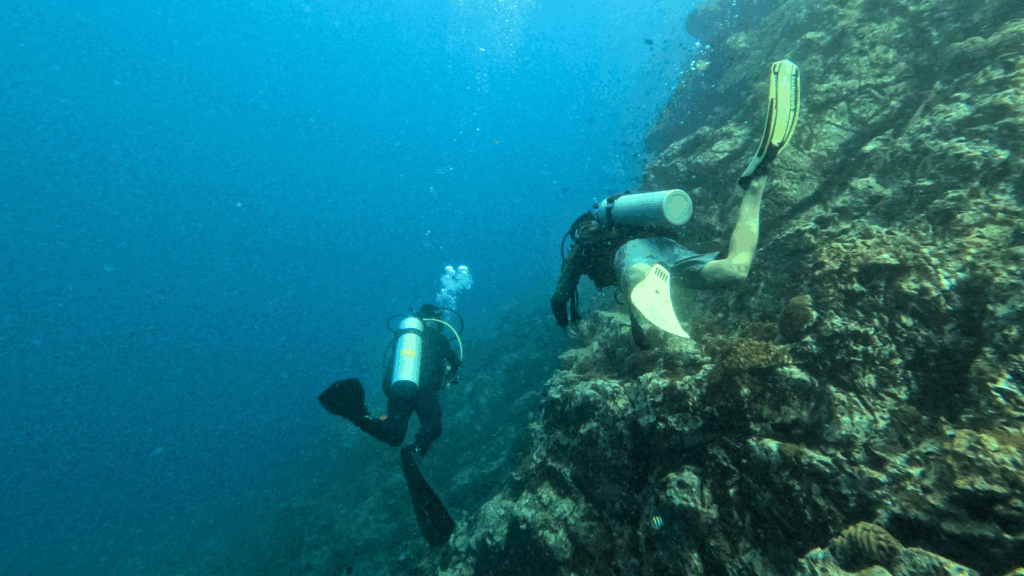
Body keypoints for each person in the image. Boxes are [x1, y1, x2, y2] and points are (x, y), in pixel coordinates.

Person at [551, 60, 800, 348]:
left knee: (634, 271)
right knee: (735, 269)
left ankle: (644, 287)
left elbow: (559, 297)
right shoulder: (626, 225)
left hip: (635, 254)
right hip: (667, 249)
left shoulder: (581, 247)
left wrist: (564, 322)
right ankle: (756, 186)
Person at [319, 304, 461, 458]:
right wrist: (448, 380)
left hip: (398, 388)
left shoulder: (402, 338)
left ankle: (359, 417)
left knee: (394, 435)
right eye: (439, 320)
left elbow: (391, 365)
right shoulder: (437, 337)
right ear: (432, 320)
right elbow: (455, 362)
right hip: (424, 390)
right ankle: (416, 450)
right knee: (432, 425)